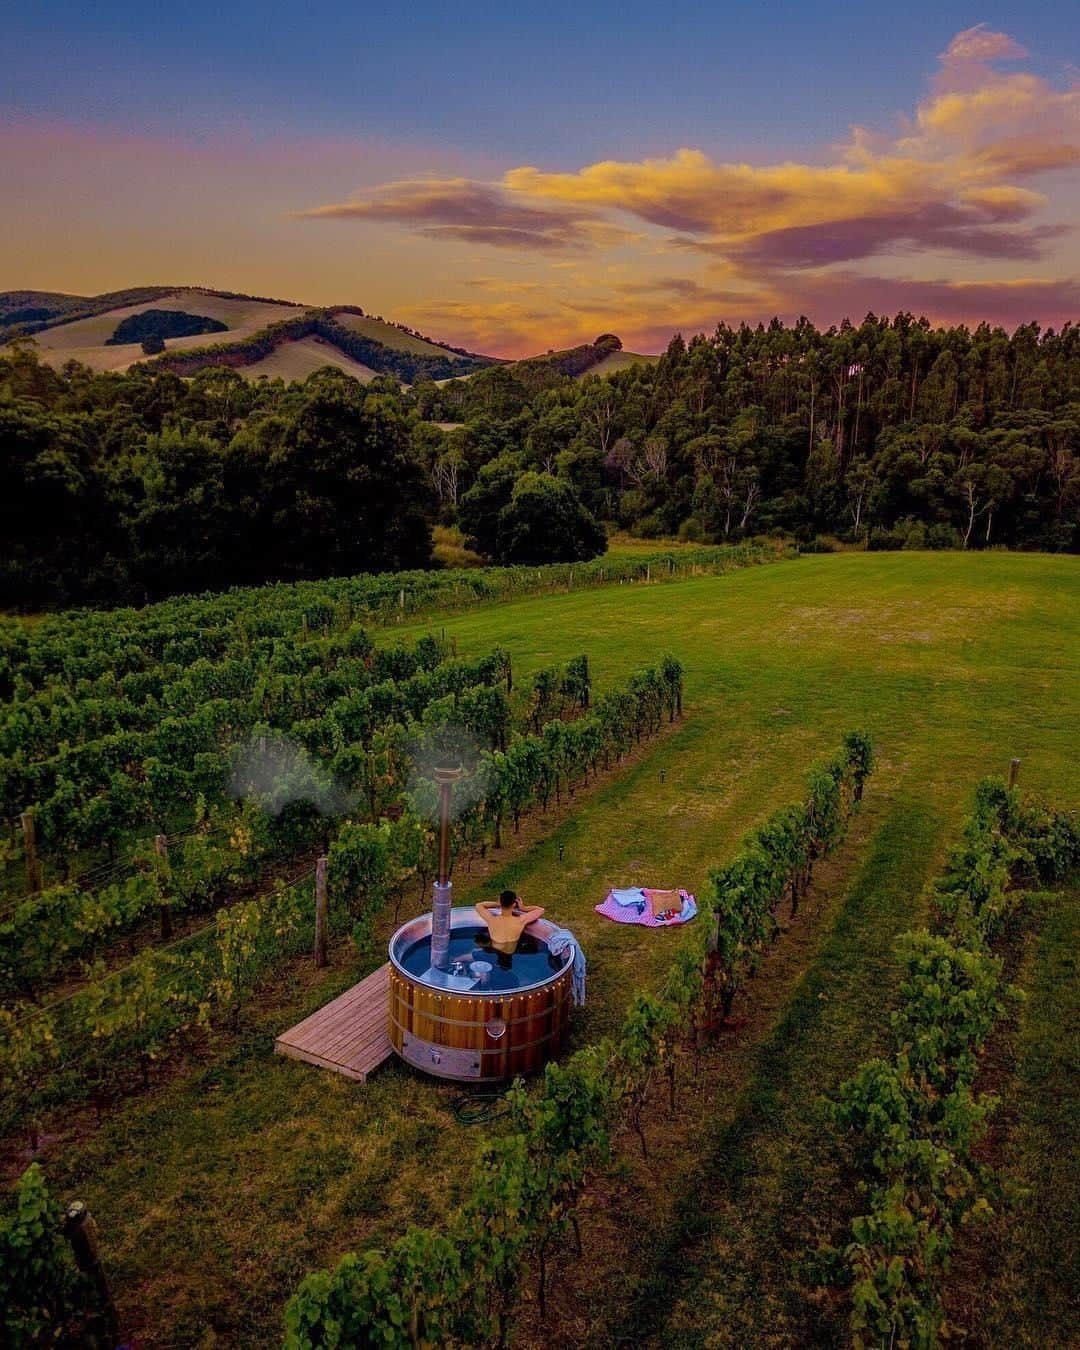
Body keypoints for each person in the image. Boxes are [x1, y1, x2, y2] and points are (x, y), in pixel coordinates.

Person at [475, 889, 545, 956]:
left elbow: (479, 905)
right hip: (512, 951)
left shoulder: (491, 920)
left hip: (494, 949)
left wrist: (497, 904)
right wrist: (523, 908)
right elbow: (541, 910)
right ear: (514, 904)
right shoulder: (521, 920)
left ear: (500, 902)